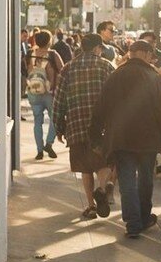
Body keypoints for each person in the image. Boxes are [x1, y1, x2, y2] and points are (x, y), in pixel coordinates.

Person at [90, 40, 161, 238]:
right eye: (151, 54)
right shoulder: (153, 76)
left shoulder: (115, 75)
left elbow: (100, 107)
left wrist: (95, 137)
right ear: (143, 53)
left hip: (121, 137)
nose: (152, 58)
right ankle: (143, 217)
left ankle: (133, 224)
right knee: (145, 180)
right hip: (148, 138)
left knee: (127, 181)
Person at [52, 33, 114, 219]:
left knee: (85, 168)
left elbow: (58, 99)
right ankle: (102, 189)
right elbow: (116, 95)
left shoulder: (68, 68)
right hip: (102, 125)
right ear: (96, 48)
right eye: (101, 48)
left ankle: (91, 206)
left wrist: (59, 126)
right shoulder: (106, 66)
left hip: (76, 124)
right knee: (103, 162)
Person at [25, 29, 65, 160]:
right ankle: (49, 143)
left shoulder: (30, 53)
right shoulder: (52, 54)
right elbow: (63, 70)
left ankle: (39, 150)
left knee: (37, 122)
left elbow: (25, 70)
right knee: (54, 120)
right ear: (49, 41)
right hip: (50, 93)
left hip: (33, 91)